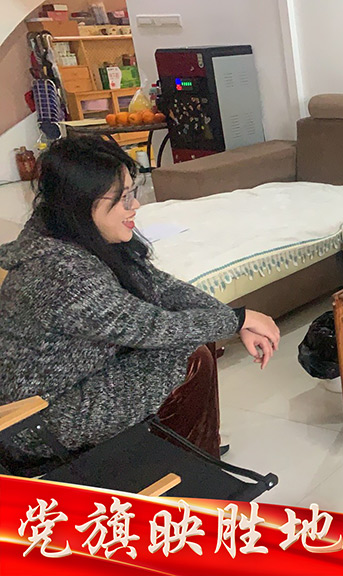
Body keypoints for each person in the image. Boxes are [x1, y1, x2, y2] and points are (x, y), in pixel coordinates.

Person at [0, 136, 280, 472]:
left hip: (74, 384)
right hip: (39, 420)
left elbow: (160, 287)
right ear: (81, 202)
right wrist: (239, 319)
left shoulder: (79, 233)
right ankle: (192, 474)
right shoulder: (59, 271)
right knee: (191, 357)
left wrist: (231, 318)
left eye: (133, 193)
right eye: (122, 198)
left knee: (197, 330)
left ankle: (192, 442)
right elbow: (151, 326)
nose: (135, 206)